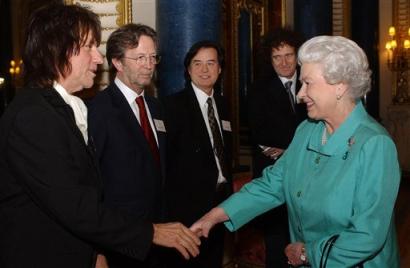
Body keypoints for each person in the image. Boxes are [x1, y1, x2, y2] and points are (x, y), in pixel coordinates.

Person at [0, 4, 200, 268]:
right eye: (89, 47)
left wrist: (94, 253)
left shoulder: (61, 109)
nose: (98, 58)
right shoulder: (33, 116)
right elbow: (75, 205)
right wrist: (152, 232)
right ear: (58, 49)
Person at [191, 35, 401, 267]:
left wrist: (308, 253)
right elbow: (273, 183)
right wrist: (215, 216)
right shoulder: (307, 130)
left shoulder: (375, 145)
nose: (300, 94)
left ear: (340, 85)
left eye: (308, 83)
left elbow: (367, 236)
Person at [88, 23, 167, 268]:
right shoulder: (98, 111)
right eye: (140, 57)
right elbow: (91, 185)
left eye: (153, 57)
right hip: (121, 242)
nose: (149, 65)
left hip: (159, 236)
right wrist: (97, 250)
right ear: (117, 63)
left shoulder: (155, 108)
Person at [163, 40, 233, 268]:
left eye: (211, 63)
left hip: (220, 203)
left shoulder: (223, 105)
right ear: (188, 69)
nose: (204, 70)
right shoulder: (172, 107)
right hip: (187, 209)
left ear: (220, 69)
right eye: (198, 63)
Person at [247, 27, 307, 268]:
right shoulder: (258, 90)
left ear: (298, 56)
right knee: (276, 244)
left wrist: (290, 150)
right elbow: (260, 135)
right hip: (274, 179)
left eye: (289, 55)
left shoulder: (311, 83)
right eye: (276, 57)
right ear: (269, 59)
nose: (283, 62)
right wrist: (299, 149)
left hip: (308, 179)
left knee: (305, 243)